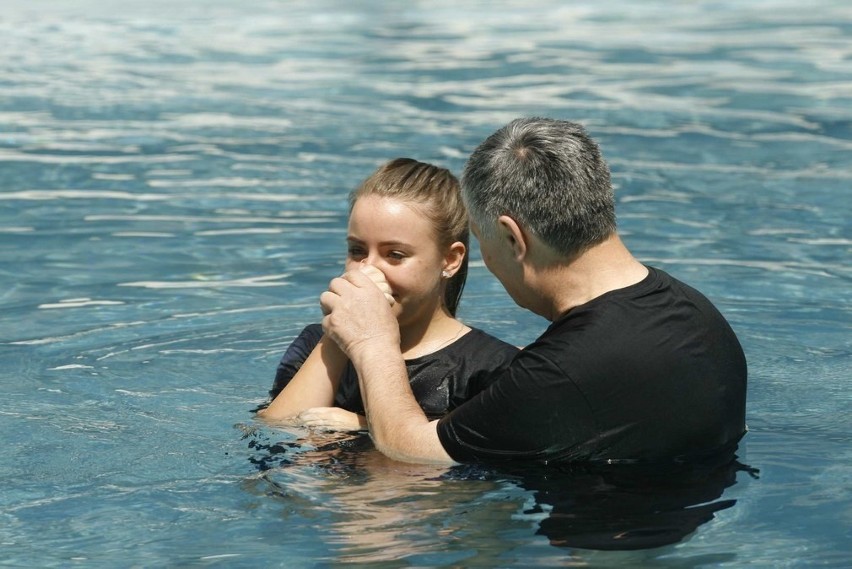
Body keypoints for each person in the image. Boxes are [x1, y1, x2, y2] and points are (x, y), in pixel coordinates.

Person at [319, 117, 748, 465]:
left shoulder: (561, 371)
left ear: (512, 239)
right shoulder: (698, 313)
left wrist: (372, 342)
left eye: (481, 241)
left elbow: (410, 450)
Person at [257, 158, 519, 430]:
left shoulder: (492, 369)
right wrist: (337, 338)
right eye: (357, 251)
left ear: (450, 260)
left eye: (395, 255)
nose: (368, 270)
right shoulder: (316, 343)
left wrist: (365, 428)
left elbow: (461, 460)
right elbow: (274, 439)